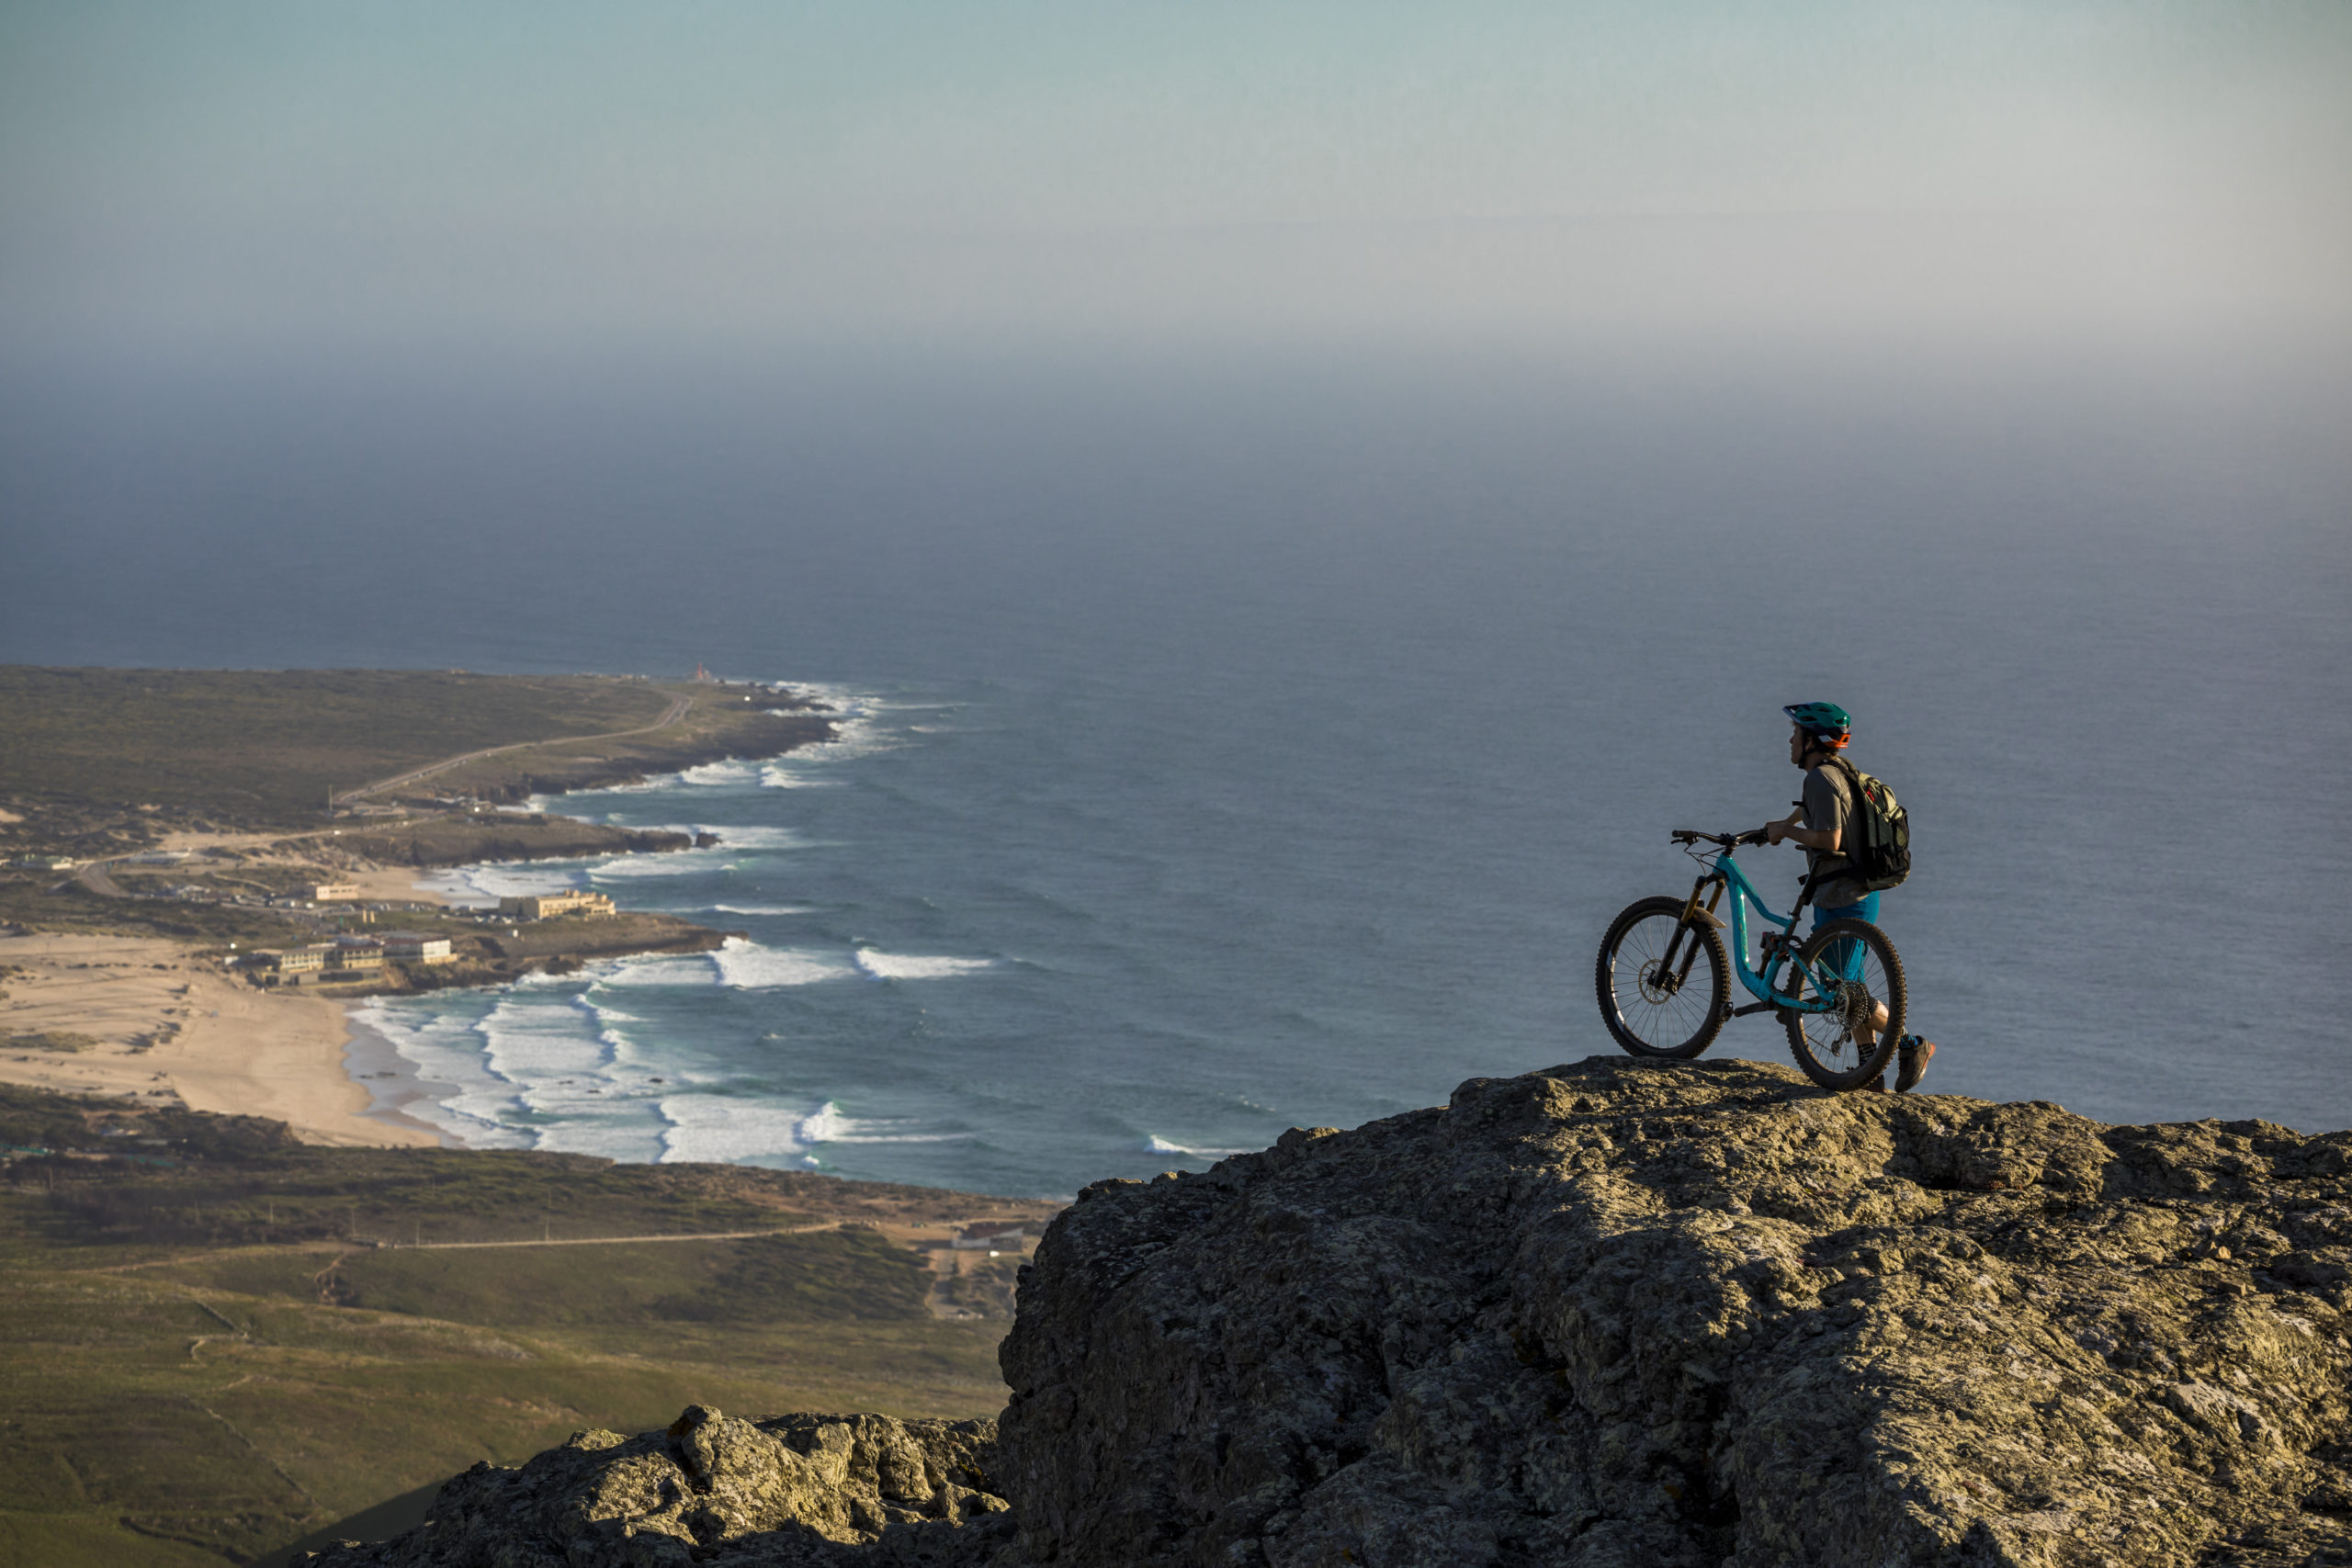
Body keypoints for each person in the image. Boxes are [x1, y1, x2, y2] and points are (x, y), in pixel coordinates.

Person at [1762, 701, 1934, 1092]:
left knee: (1844, 993)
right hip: (1846, 893)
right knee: (1848, 988)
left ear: (1811, 740)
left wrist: (1788, 833)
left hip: (1843, 895)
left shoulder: (1821, 778)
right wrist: (1778, 826)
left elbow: (1830, 838)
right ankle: (1867, 1069)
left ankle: (1911, 1044)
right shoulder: (1838, 773)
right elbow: (1815, 815)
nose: (1790, 739)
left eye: (1796, 733)